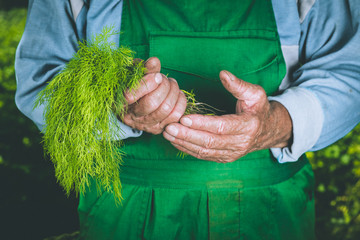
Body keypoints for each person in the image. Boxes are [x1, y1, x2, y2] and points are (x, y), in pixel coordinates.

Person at [15, 0, 360, 239]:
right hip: (125, 209)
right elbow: (39, 82)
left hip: (269, 212)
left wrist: (274, 125)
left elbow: (348, 71)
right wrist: (117, 106)